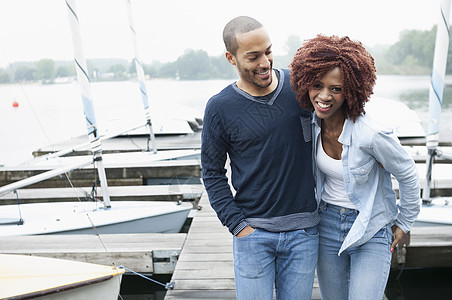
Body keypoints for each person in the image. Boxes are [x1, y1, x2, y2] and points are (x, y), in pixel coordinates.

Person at [290, 35, 421, 300]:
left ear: (351, 90)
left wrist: (404, 222)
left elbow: (407, 173)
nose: (324, 96)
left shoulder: (371, 133)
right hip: (325, 223)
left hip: (371, 226)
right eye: (317, 85)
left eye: (336, 89)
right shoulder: (310, 124)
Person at [201, 16, 319, 300]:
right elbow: (212, 173)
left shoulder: (299, 87)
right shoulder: (219, 108)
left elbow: (340, 117)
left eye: (268, 51)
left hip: (304, 232)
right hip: (253, 236)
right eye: (253, 57)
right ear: (231, 58)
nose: (265, 62)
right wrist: (239, 227)